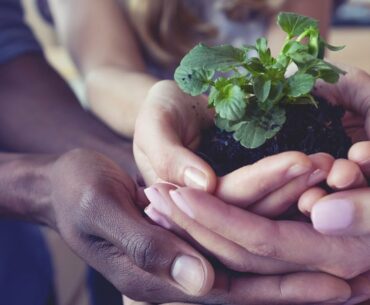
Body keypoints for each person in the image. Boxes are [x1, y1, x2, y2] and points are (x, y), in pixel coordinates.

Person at [1, 1, 352, 305]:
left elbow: (292, 59)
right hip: (140, 179)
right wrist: (175, 119)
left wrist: (238, 111)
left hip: (270, 185)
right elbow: (104, 71)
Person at [143, 66, 370, 305]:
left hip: (317, 162)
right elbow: (105, 71)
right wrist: (154, 111)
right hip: (164, 141)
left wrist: (306, 76)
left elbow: (282, 63)